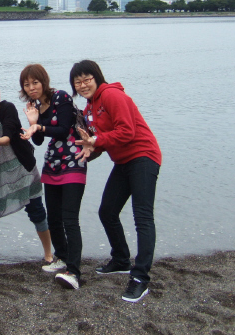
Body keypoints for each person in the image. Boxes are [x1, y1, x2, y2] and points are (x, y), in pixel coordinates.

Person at [71, 59, 162, 303]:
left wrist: (96, 142)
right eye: (77, 82)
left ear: (97, 77)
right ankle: (121, 259)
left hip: (143, 156)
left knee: (142, 217)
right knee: (107, 211)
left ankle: (140, 278)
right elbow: (102, 141)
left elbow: (127, 132)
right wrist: (87, 151)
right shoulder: (90, 108)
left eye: (87, 79)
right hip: (123, 161)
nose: (83, 85)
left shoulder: (112, 95)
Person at [0, 78, 53, 266]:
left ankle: (48, 252)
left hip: (22, 167)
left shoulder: (7, 108)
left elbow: (8, 135)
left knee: (37, 211)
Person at [19, 64, 87, 290]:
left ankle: (74, 272)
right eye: (27, 85)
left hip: (74, 160)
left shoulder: (61, 97)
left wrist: (38, 126)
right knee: (54, 217)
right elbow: (38, 141)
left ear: (44, 81)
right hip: (53, 163)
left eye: (35, 82)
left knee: (70, 218)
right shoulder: (37, 107)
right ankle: (62, 257)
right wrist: (33, 122)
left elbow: (64, 128)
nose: (31, 88)